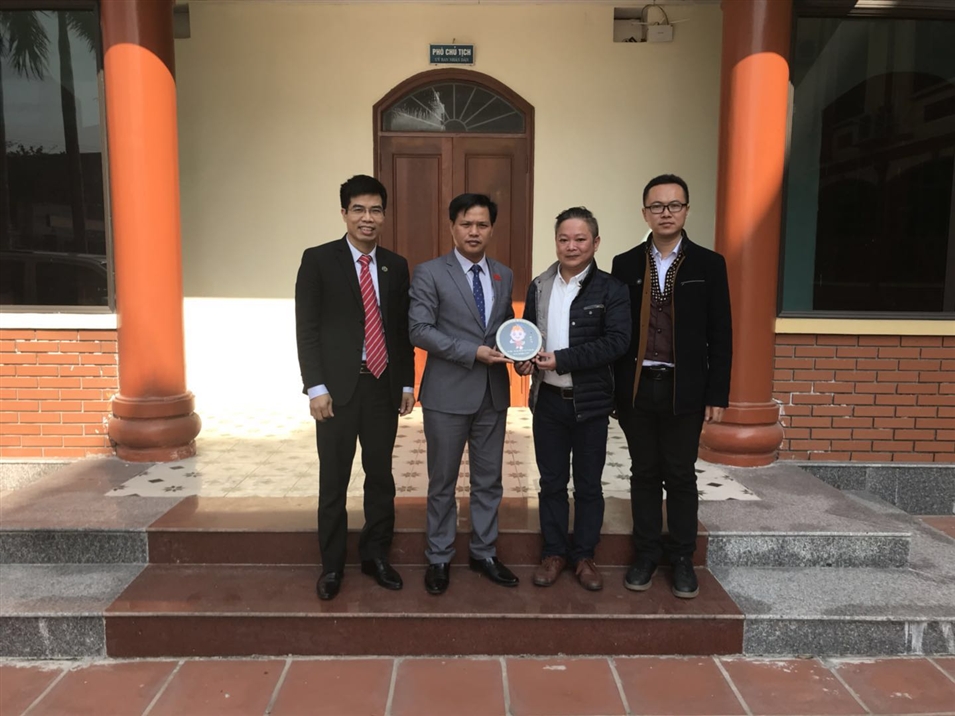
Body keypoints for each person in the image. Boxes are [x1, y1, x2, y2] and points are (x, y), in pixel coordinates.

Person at [295, 174, 415, 601]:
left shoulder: (395, 265)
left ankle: (375, 556)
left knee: (380, 477)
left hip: (382, 387)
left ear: (385, 215)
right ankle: (332, 566)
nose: (368, 218)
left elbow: (400, 330)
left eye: (376, 210)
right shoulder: (318, 260)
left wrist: (406, 382)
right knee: (334, 480)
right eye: (359, 209)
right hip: (336, 392)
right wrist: (315, 387)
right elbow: (307, 329)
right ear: (344, 213)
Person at [611, 174, 732, 599]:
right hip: (637, 386)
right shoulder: (625, 264)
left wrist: (717, 393)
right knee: (644, 472)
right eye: (657, 206)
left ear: (686, 210)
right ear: (645, 213)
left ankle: (682, 557)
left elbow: (721, 332)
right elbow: (616, 332)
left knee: (680, 474)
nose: (666, 213)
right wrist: (614, 390)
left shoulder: (709, 264)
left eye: (674, 205)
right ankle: (646, 554)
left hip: (685, 388)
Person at [515, 207, 630, 591]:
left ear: (595, 243)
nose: (571, 246)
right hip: (548, 400)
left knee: (588, 484)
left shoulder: (611, 289)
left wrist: (562, 359)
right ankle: (553, 553)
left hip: (590, 403)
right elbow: (527, 336)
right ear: (556, 242)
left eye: (580, 239)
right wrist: (523, 362)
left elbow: (617, 342)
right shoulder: (540, 285)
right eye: (564, 239)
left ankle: (583, 555)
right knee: (551, 482)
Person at [408, 193, 517, 595]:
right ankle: (439, 556)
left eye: (482, 224)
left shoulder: (503, 274)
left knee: (489, 481)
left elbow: (506, 326)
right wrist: (472, 352)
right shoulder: (430, 273)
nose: (474, 231)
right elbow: (419, 329)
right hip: (447, 394)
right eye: (466, 224)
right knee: (443, 481)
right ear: (452, 227)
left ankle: (484, 552)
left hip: (492, 394)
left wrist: (520, 350)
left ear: (491, 229)